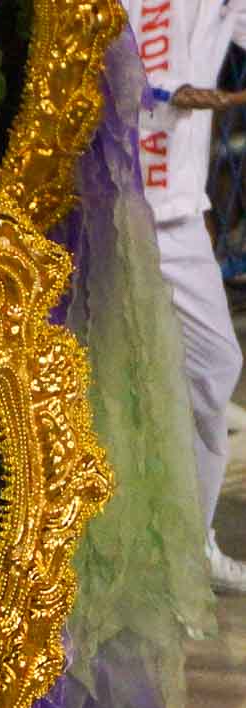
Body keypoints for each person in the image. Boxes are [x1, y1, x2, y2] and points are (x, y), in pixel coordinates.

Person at [137, 0, 246, 595]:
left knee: (214, 365)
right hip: (114, 214)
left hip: (179, 220)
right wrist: (161, 94)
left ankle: (191, 546)